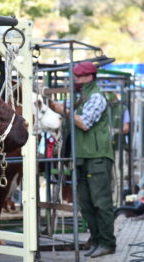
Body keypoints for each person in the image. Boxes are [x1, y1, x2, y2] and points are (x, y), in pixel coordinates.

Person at [49, 61, 116, 258]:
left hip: (97, 157)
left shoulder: (96, 97)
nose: (74, 81)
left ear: (88, 77)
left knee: (101, 202)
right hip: (83, 157)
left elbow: (84, 123)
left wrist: (63, 110)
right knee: (86, 203)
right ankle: (96, 239)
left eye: (77, 77)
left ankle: (107, 242)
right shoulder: (83, 97)